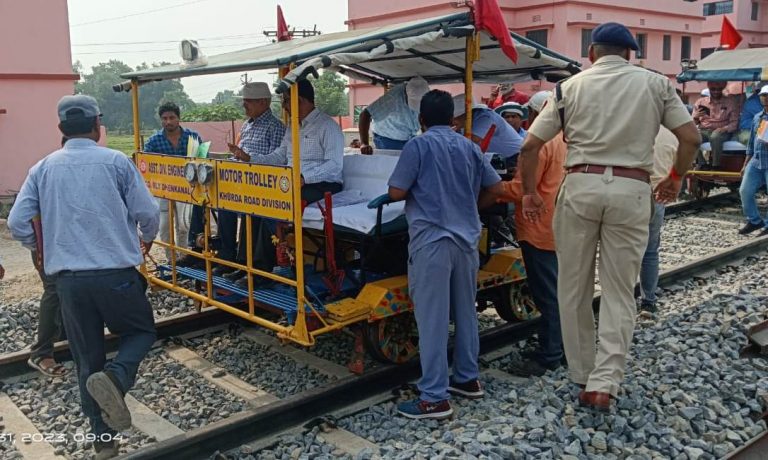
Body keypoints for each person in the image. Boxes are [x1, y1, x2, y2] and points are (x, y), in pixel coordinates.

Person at [519, 22, 700, 411]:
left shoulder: (568, 88)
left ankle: (582, 373)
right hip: (632, 188)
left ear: (591, 53)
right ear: (630, 54)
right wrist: (674, 177)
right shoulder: (656, 84)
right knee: (619, 289)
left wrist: (530, 193)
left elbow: (530, 146)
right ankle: (605, 381)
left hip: (580, 185)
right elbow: (691, 138)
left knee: (573, 287)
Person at [8, 95, 160, 459]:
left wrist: (43, 248)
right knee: (141, 332)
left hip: (70, 282)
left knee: (87, 361)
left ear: (61, 128)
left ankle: (103, 441)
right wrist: (146, 237)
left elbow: (17, 223)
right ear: (97, 126)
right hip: (116, 275)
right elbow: (148, 212)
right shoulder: (116, 162)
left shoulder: (42, 169)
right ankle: (117, 377)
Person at [390, 89, 503, 419]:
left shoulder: (418, 145)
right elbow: (496, 189)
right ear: (452, 119)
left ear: (421, 119)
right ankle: (467, 379)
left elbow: (396, 191)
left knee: (433, 319)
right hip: (466, 242)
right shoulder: (469, 147)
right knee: (466, 313)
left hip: (431, 242)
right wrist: (470, 207)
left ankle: (434, 397)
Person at [238, 79, 344, 287]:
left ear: (300, 100)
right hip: (294, 182)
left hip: (322, 184)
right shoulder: (293, 126)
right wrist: (250, 158)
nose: (284, 106)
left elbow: (334, 165)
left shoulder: (328, 126)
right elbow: (280, 156)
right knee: (253, 203)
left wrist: (304, 178)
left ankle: (262, 272)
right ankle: (245, 264)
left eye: (286, 101)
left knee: (273, 206)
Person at [496, 91, 566, 377]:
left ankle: (550, 355)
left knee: (547, 295)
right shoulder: (564, 138)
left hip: (538, 227)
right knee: (560, 292)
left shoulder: (539, 143)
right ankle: (562, 347)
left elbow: (521, 190)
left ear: (538, 114)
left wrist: (490, 187)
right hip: (561, 224)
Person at [216, 82, 286, 279]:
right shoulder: (247, 125)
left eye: (248, 101)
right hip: (242, 180)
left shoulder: (275, 127)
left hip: (261, 184)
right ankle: (227, 257)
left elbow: (276, 161)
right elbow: (242, 154)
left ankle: (248, 265)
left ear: (263, 102)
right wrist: (236, 156)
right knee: (218, 201)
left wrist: (247, 158)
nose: (244, 105)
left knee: (251, 210)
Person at [143, 102, 204, 262]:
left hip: (186, 188)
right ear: (161, 120)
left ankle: (183, 257)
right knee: (164, 226)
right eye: (164, 118)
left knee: (184, 225)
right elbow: (146, 164)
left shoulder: (193, 137)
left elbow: (203, 160)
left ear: (178, 118)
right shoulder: (154, 141)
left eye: (171, 118)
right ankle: (171, 259)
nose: (168, 122)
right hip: (163, 190)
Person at [638, 126, 679, 314]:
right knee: (650, 251)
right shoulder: (673, 134)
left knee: (623, 250)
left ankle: (620, 300)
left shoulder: (634, 125)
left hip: (632, 192)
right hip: (657, 196)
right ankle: (648, 300)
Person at [358, 76, 429, 154]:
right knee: (392, 161)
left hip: (409, 137)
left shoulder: (427, 97)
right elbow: (365, 114)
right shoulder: (393, 97)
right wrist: (364, 143)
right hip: (387, 138)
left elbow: (424, 121)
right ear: (406, 94)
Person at [452, 94, 523, 164]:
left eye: (456, 117)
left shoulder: (485, 117)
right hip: (500, 158)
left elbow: (470, 142)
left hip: (517, 157)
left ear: (467, 114)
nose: (453, 121)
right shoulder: (465, 124)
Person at [738, 85, 768, 237]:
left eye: (767, 95)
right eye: (764, 95)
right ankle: (754, 220)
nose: (766, 98)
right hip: (756, 160)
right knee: (745, 191)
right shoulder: (757, 117)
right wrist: (745, 164)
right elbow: (751, 143)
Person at [693, 81, 741, 169]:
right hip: (704, 130)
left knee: (715, 136)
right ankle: (702, 164)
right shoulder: (700, 102)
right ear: (709, 89)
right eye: (713, 89)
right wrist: (695, 117)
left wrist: (725, 128)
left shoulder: (730, 102)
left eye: (719, 89)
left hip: (722, 131)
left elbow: (735, 122)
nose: (716, 91)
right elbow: (693, 123)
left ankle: (716, 165)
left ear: (722, 89)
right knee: (691, 137)